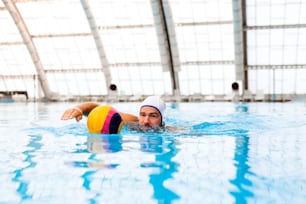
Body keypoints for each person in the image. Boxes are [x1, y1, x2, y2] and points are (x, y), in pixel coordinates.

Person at [61, 95, 167, 132]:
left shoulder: (171, 132)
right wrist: (79, 108)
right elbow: (101, 109)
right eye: (143, 115)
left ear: (162, 120)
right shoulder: (133, 122)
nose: (146, 121)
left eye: (153, 116)